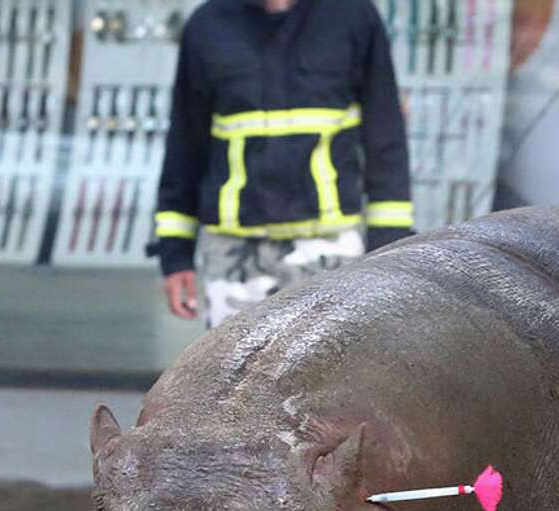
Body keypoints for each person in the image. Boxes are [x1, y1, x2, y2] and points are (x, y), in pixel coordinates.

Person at [151, 0, 414, 328]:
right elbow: (184, 147)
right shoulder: (207, 25)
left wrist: (390, 249)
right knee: (231, 376)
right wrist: (174, 254)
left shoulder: (353, 17)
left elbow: (385, 141)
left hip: (330, 250)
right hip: (234, 258)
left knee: (334, 377)